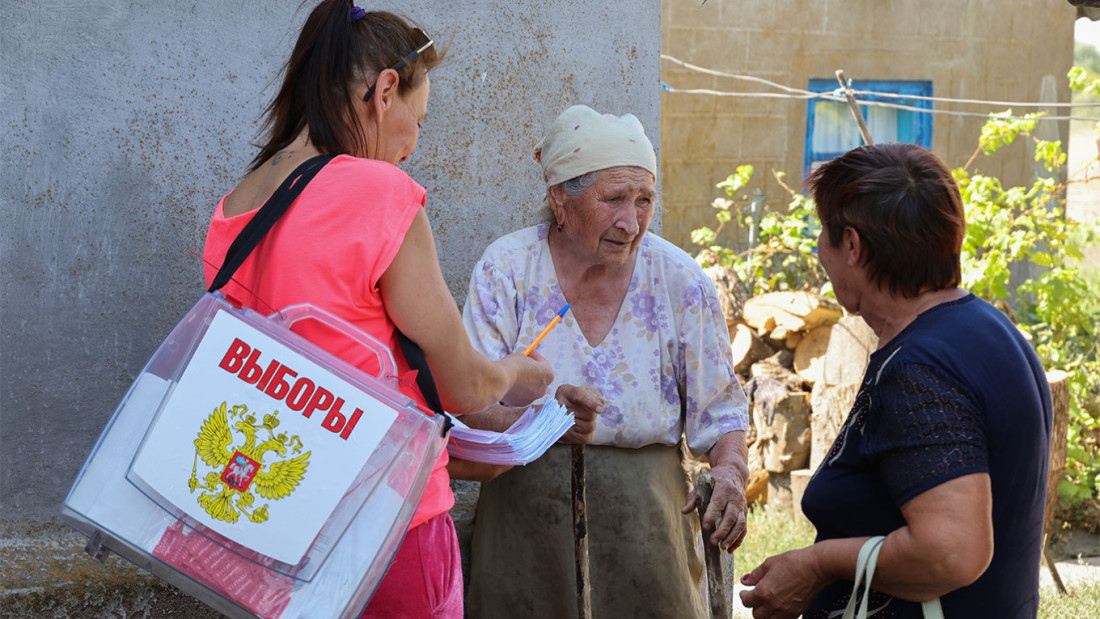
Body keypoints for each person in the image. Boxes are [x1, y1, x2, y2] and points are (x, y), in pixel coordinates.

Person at [201, 2, 553, 617]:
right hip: (387, 523)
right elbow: (465, 385)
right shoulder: (379, 193)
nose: (414, 144)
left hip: (272, 516)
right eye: (418, 118)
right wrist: (519, 373)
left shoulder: (237, 204)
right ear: (385, 91)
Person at [458, 104, 751, 618]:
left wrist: (730, 472)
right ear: (560, 201)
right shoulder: (508, 269)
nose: (631, 221)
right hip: (525, 525)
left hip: (649, 527)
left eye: (644, 200)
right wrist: (545, 422)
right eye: (614, 199)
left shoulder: (680, 282)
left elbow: (722, 412)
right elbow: (467, 401)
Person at [739, 143, 1053, 618]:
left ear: (852, 245)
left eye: (823, 234)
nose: (819, 251)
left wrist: (819, 564)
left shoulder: (920, 372)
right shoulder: (986, 327)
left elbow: (951, 551)